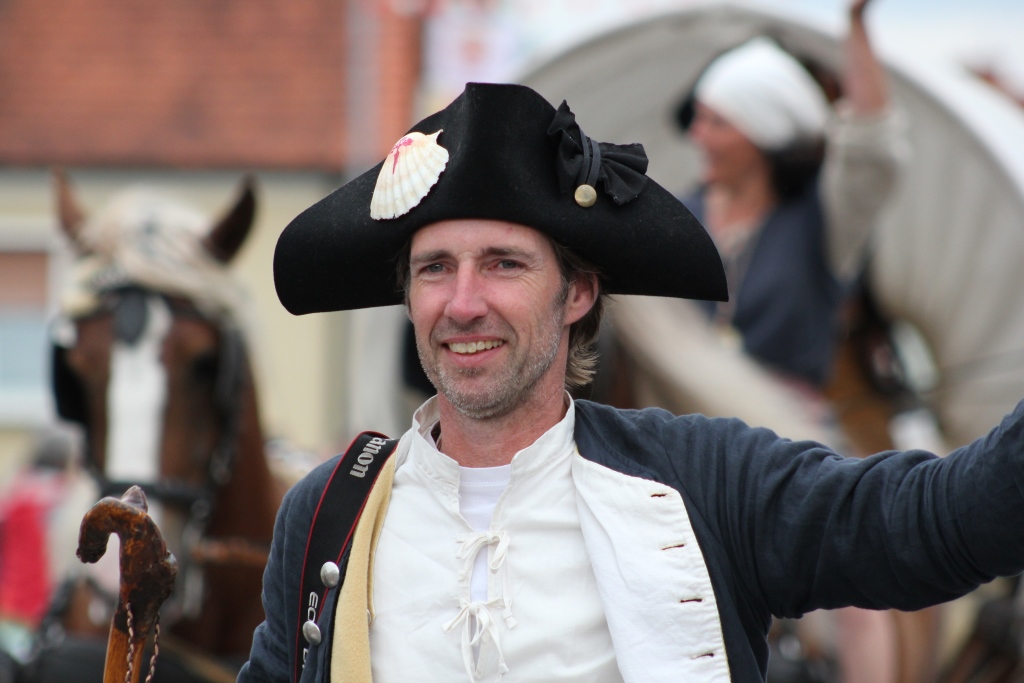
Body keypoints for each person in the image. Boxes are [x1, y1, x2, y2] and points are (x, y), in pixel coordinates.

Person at [239, 81, 1024, 683]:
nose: (464, 302)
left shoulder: (704, 479)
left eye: (504, 264)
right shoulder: (330, 510)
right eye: (435, 268)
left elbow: (936, 522)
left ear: (579, 292)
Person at [669, 2, 911, 681]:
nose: (697, 133)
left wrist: (856, 26)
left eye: (717, 120)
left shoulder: (823, 220)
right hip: (687, 437)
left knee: (855, 580)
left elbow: (874, 149)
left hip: (791, 434)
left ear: (762, 134)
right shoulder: (679, 217)